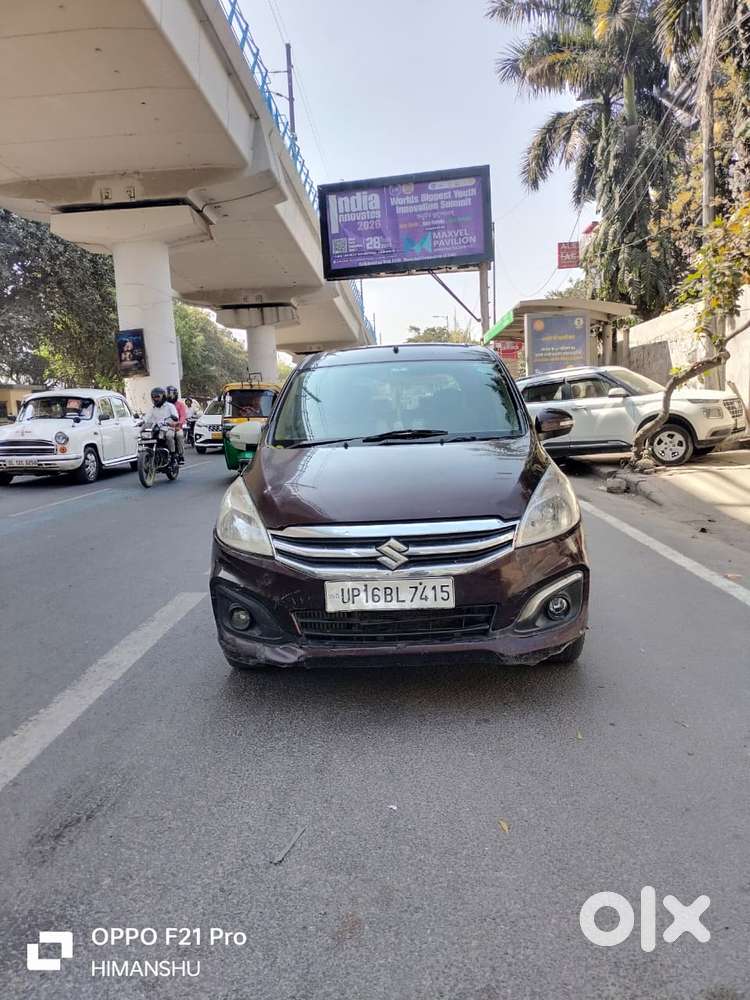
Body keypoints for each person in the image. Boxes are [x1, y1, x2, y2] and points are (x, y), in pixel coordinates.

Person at [144, 387, 179, 455]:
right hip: (156, 428)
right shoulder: (152, 408)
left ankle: (173, 455)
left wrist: (171, 420)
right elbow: (146, 417)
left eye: (157, 397)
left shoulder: (170, 406)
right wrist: (141, 421)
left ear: (163, 397)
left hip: (169, 427)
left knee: (169, 436)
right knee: (146, 437)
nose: (155, 399)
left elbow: (176, 416)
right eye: (154, 397)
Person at [166, 386, 187, 464]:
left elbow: (183, 416)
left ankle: (180, 454)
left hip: (177, 426)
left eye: (171, 394)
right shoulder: (164, 405)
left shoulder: (180, 405)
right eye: (168, 394)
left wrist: (179, 423)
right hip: (166, 427)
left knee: (179, 435)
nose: (169, 396)